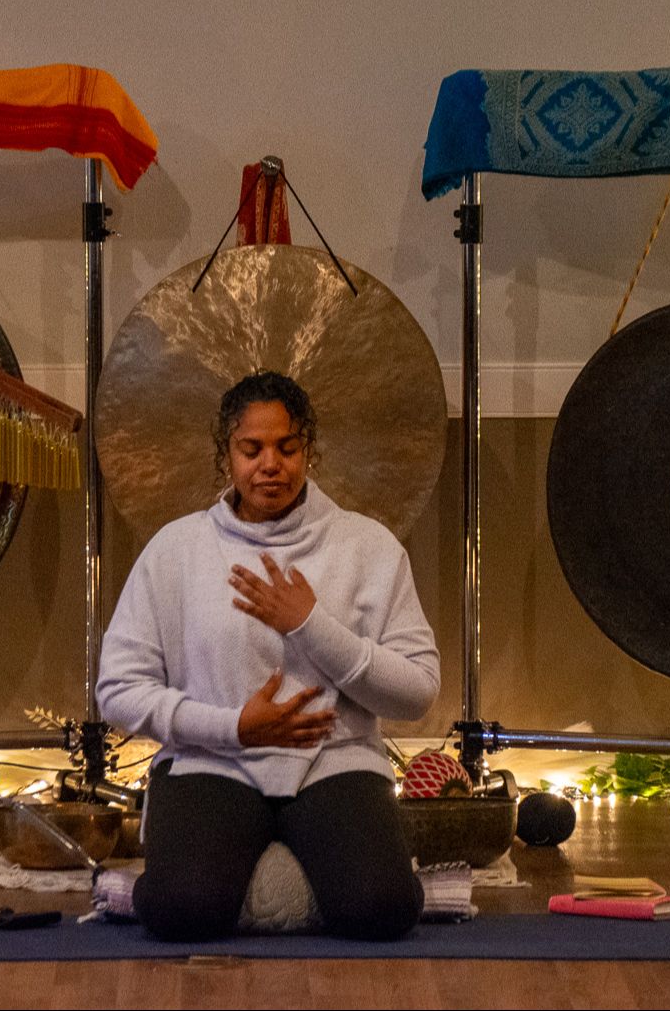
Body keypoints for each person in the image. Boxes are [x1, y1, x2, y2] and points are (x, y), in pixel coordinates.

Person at [96, 370, 439, 941]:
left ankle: (279, 885)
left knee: (382, 910)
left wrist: (309, 624)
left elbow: (418, 691)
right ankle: (268, 885)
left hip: (335, 761)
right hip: (212, 761)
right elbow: (117, 689)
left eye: (287, 447)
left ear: (309, 451)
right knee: (181, 911)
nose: (270, 465)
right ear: (226, 456)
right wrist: (234, 728)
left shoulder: (368, 546)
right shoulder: (175, 549)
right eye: (251, 449)